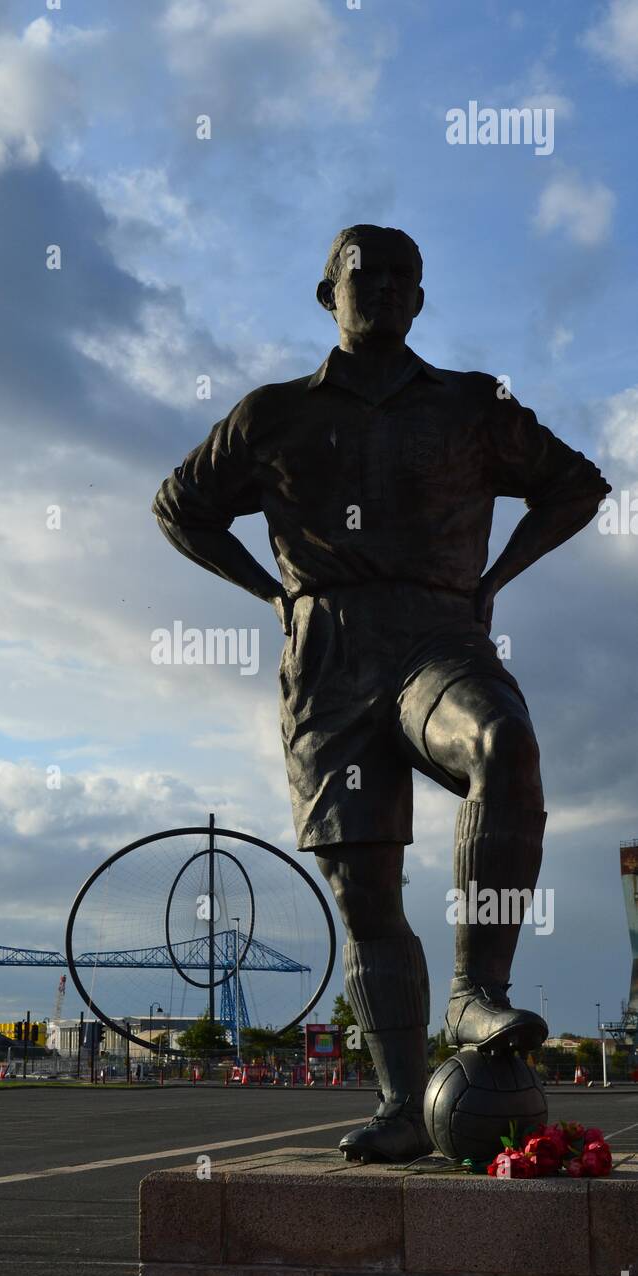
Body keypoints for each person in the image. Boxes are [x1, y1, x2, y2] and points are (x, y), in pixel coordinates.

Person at [153, 224, 610, 1161]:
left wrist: (496, 580)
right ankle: (405, 1105)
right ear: (328, 295)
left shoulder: (474, 405)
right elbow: (179, 506)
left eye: (405, 277)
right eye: (367, 275)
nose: (387, 289)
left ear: (421, 300)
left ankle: (475, 989)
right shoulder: (270, 414)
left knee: (503, 743)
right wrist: (272, 592)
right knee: (365, 894)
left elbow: (575, 487)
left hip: (438, 636)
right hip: (327, 656)